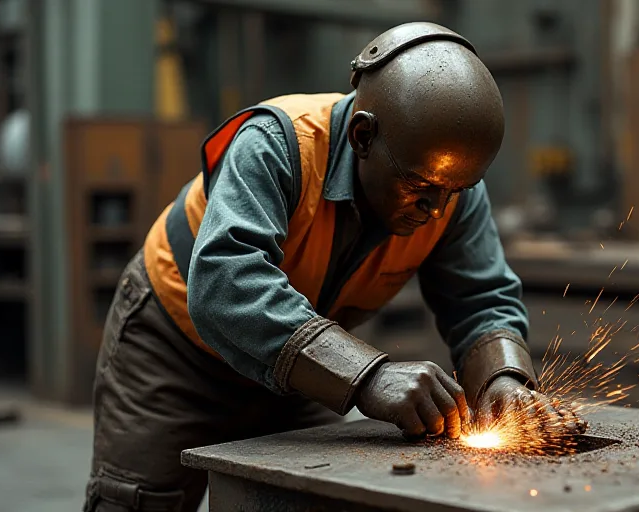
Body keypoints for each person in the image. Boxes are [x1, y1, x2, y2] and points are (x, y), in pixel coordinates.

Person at [83, 21, 583, 512]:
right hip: (173, 349)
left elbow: (480, 297)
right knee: (143, 501)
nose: (435, 210)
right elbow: (225, 284)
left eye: (452, 192)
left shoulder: (448, 187)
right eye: (419, 188)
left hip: (287, 362)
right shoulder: (278, 144)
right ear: (363, 137)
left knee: (298, 499)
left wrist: (503, 379)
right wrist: (368, 376)